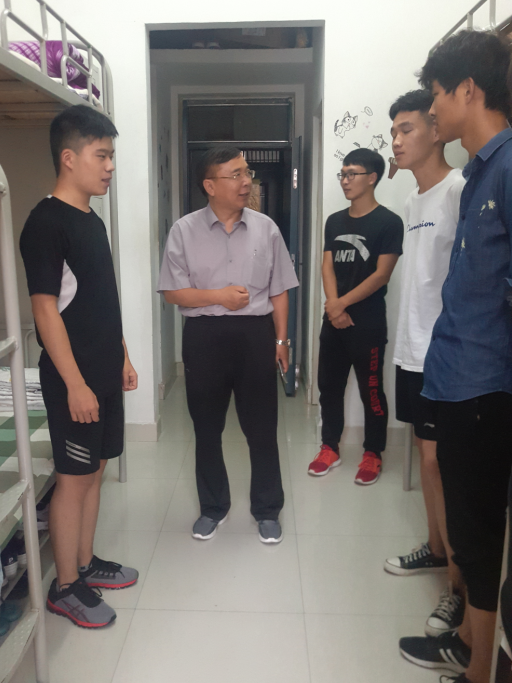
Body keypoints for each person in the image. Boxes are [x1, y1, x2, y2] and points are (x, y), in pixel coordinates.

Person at [398, 30, 512, 683]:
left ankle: (478, 670)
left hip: (484, 385)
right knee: (468, 530)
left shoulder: (507, 168)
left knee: (479, 533)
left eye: (438, 94)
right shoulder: (480, 175)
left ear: (469, 89)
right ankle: (467, 645)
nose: (433, 108)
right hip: (455, 375)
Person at [20, 105, 139, 629]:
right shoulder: (46, 223)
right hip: (75, 380)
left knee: (97, 469)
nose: (110, 166)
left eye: (112, 156)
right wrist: (74, 384)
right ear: (69, 158)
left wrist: (123, 356)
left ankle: (85, 564)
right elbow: (45, 310)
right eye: (102, 155)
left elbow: (100, 298)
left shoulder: (92, 219)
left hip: (104, 371)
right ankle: (65, 587)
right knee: (73, 478)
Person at [158, 145, 298, 544]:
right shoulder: (184, 231)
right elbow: (172, 292)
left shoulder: (266, 229)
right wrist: (218, 296)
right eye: (235, 174)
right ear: (210, 185)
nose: (245, 181)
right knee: (206, 428)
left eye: (246, 172)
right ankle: (212, 507)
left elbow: (280, 290)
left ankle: (267, 509)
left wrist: (282, 339)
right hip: (204, 338)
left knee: (262, 428)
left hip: (256, 335)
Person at [384, 89, 466, 637]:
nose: (396, 140)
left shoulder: (459, 190)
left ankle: (460, 591)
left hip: (445, 355)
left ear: (436, 130)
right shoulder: (414, 202)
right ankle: (437, 549)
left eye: (406, 129)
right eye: (393, 131)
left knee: (443, 467)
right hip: (411, 351)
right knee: (424, 457)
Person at [308, 149, 403, 485]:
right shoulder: (334, 221)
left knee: (371, 391)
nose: (345, 180)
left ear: (372, 178)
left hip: (368, 324)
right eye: (343, 174)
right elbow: (327, 266)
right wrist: (334, 306)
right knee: (328, 388)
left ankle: (373, 452)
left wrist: (340, 305)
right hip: (334, 324)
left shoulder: (389, 222)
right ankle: (329, 447)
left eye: (352, 174)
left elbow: (382, 274)